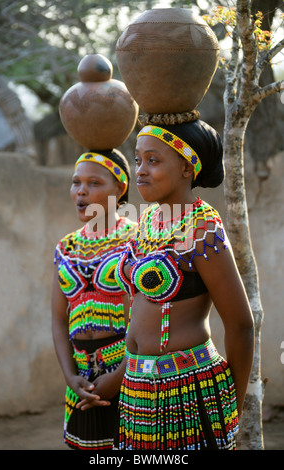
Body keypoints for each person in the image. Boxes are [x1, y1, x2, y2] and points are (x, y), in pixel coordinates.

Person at [115, 118, 255, 450]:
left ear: (186, 168)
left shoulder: (202, 228)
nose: (141, 170)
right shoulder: (148, 219)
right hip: (137, 390)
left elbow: (241, 325)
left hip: (188, 393)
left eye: (154, 160)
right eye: (138, 160)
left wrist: (228, 405)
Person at [51, 149, 137, 450]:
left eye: (94, 183)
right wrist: (70, 377)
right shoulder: (66, 248)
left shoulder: (136, 243)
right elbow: (59, 319)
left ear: (120, 188)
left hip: (129, 373)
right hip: (82, 380)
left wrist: (118, 375)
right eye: (76, 182)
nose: (81, 191)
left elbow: (146, 318)